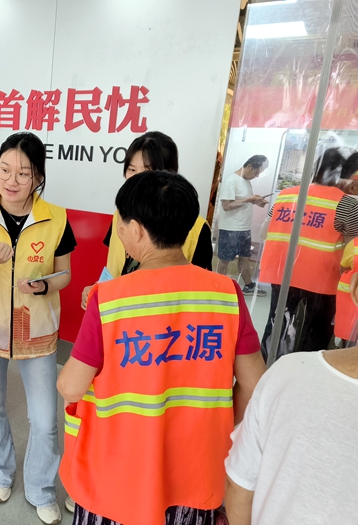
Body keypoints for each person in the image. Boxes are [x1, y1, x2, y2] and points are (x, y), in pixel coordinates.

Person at [58, 171, 265, 525]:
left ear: (137, 230)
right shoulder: (226, 294)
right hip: (196, 469)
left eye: (121, 222)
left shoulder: (109, 298)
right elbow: (254, 383)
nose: (118, 230)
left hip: (118, 472)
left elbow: (71, 386)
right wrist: (221, 425)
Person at [0, 132, 77, 525]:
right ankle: (0, 472)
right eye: (4, 170)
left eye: (23, 173)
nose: (11, 181)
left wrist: (44, 285)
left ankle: (41, 489)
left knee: (44, 418)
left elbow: (64, 275)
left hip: (36, 330)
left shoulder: (56, 218)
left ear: (38, 177)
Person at [225, 277, 358, 524]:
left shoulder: (287, 375)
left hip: (298, 281)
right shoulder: (225, 293)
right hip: (318, 282)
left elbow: (239, 488)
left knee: (282, 320)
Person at [82, 131, 213, 310]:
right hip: (117, 312)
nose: (136, 179)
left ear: (169, 175)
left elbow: (200, 291)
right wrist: (97, 288)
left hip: (160, 320)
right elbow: (114, 269)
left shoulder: (196, 228)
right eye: (132, 170)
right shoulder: (120, 215)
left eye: (148, 171)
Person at [259, 148, 358, 357]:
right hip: (322, 280)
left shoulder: (286, 195)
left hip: (281, 273)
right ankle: (306, 368)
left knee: (276, 324)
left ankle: (268, 365)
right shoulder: (347, 204)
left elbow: (263, 232)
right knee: (316, 331)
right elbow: (352, 252)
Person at [216, 155, 269, 297]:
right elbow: (227, 206)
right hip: (230, 228)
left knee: (244, 257)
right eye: (256, 172)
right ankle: (218, 288)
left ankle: (249, 286)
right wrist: (248, 199)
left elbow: (241, 202)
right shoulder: (231, 180)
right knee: (225, 260)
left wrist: (255, 201)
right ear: (250, 166)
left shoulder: (246, 181)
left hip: (244, 228)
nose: (257, 176)